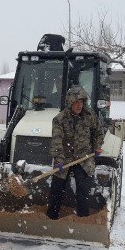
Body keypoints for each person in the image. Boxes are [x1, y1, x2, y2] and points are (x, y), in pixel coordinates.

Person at [46, 86, 104, 220]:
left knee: (83, 190)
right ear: (70, 102)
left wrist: (97, 146)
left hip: (84, 157)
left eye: (82, 102)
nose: (79, 105)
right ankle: (51, 218)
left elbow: (98, 132)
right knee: (57, 189)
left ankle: (83, 219)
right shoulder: (59, 119)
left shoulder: (90, 116)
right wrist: (59, 159)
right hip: (64, 157)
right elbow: (56, 140)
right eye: (76, 102)